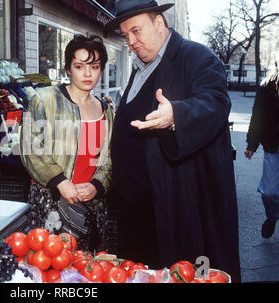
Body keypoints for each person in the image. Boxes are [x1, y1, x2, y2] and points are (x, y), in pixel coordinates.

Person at [103, 0, 241, 282]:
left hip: (178, 207)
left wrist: (176, 114)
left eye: (136, 31)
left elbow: (215, 103)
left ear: (159, 23)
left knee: (188, 272)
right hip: (137, 212)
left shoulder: (197, 57)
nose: (131, 41)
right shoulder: (140, 67)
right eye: (125, 35)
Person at [20, 34, 114, 251]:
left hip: (92, 202)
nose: (88, 73)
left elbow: (109, 158)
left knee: (88, 268)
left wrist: (97, 186)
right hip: (50, 198)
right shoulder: (44, 100)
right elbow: (31, 148)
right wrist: (60, 182)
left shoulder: (107, 112)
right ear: (68, 69)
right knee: (48, 262)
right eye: (80, 66)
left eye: (95, 66)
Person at [245, 72, 278, 239]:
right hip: (274, 146)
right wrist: (252, 143)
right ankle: (272, 217)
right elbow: (258, 115)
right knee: (269, 192)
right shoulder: (268, 85)